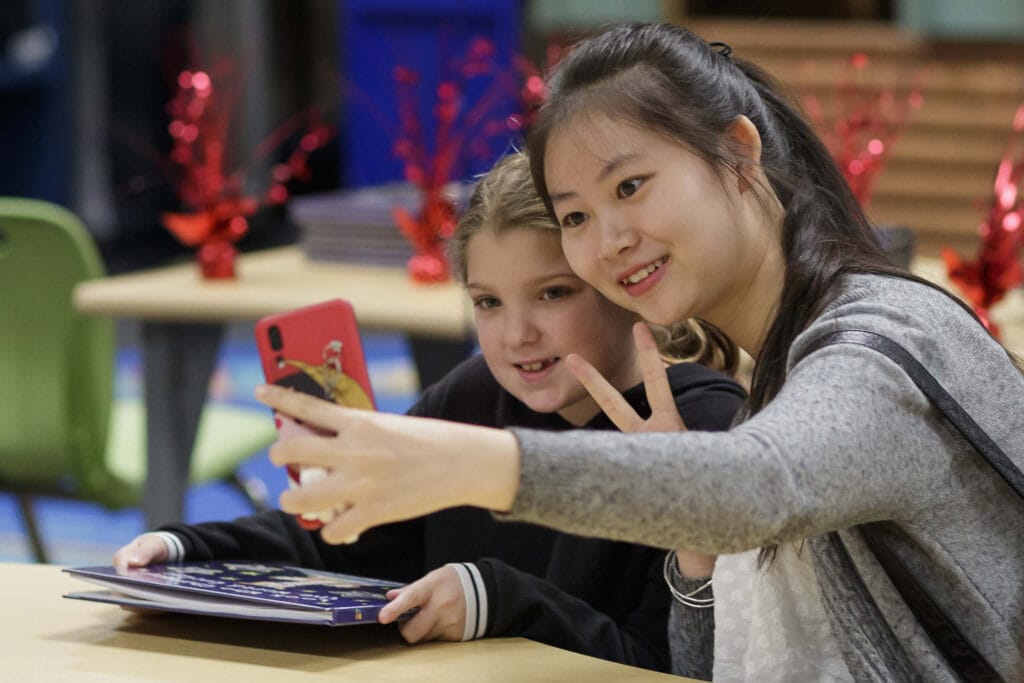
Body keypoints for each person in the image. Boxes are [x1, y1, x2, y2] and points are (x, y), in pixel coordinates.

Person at [254, 23, 1024, 682]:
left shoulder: (883, 339)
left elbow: (762, 482)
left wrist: (467, 463)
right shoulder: (778, 363)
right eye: (577, 216)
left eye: (631, 186)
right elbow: (700, 667)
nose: (610, 241)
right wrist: (693, 555)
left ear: (737, 155)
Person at [114, 151, 745, 674]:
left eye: (554, 294)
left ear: (619, 282)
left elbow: (664, 665)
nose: (516, 334)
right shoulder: (474, 394)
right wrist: (185, 548)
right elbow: (347, 542)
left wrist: (495, 599)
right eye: (488, 302)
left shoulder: (702, 422)